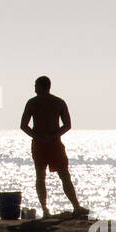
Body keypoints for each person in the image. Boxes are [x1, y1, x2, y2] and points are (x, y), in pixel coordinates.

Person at [20, 75, 86, 218]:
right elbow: (23, 125)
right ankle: (48, 209)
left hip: (48, 143)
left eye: (36, 86)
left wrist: (45, 136)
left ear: (43, 86)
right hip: (46, 143)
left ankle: (72, 207)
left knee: (58, 175)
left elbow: (67, 124)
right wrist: (46, 136)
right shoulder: (50, 102)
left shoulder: (49, 102)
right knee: (46, 176)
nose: (34, 88)